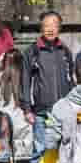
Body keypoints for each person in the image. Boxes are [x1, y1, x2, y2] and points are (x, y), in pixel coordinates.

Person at [24, 12, 72, 153]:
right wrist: (27, 109)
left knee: (64, 150)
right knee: (40, 150)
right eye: (47, 26)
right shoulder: (32, 51)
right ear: (41, 28)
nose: (51, 29)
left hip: (63, 110)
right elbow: (25, 81)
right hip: (41, 111)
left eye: (54, 25)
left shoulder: (65, 51)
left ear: (59, 28)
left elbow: (72, 79)